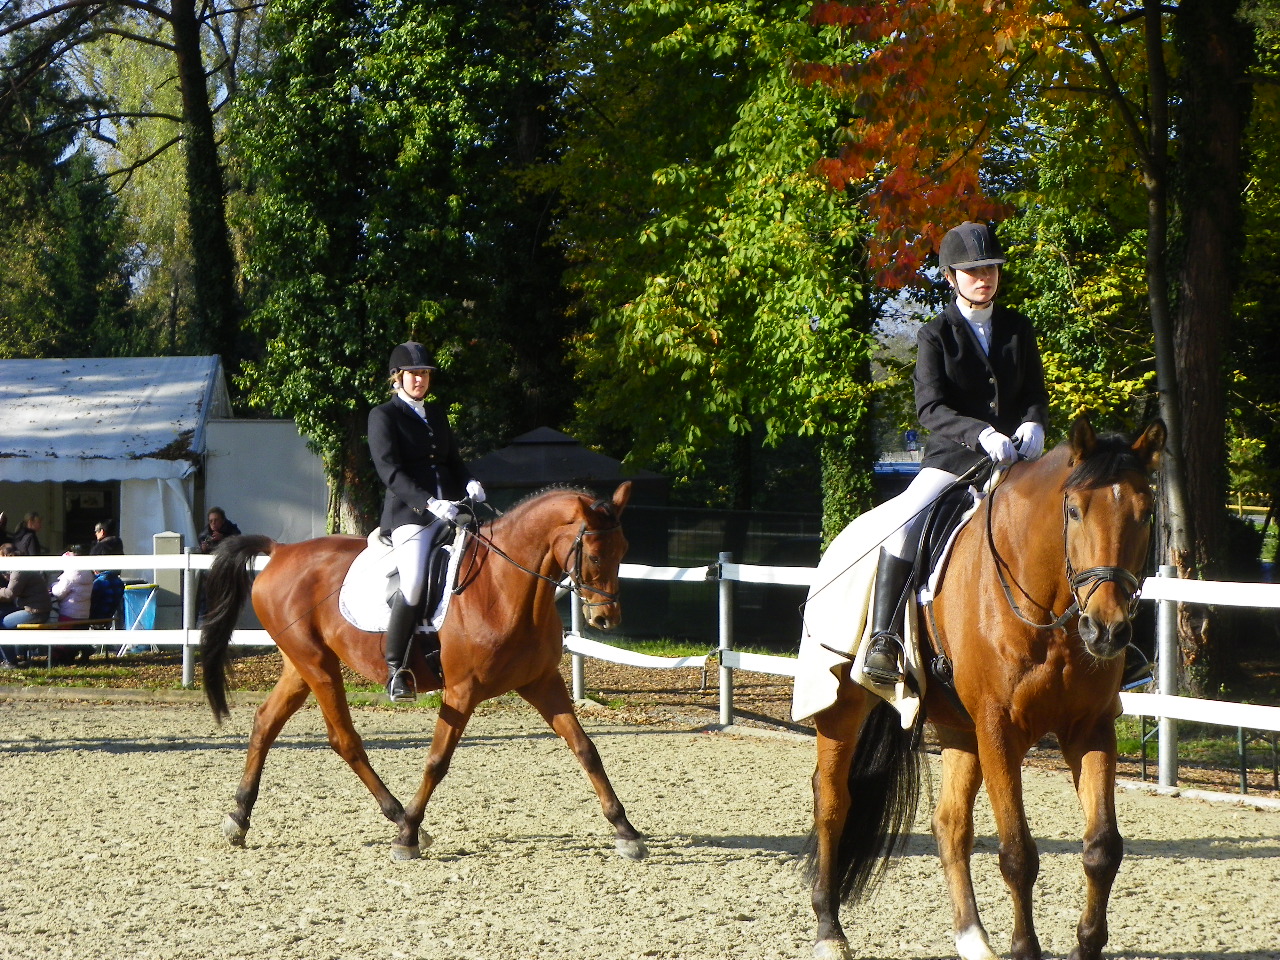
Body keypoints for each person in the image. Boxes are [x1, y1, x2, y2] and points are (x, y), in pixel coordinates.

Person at [861, 221, 1050, 687]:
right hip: (954, 460)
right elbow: (930, 407)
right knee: (905, 523)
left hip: (1017, 460)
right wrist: (979, 433)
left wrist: (1034, 422)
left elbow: (1034, 392)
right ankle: (885, 638)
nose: (983, 277)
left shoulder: (1018, 328)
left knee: (1074, 514)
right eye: (972, 271)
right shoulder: (935, 334)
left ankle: (1109, 642)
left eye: (990, 269)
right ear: (950, 276)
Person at [368, 341, 485, 702]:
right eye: (414, 374)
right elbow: (389, 471)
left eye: (425, 374)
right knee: (415, 582)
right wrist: (429, 503)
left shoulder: (435, 414)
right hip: (412, 515)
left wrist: (469, 481)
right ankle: (396, 669)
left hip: (452, 509)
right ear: (398, 377)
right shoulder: (383, 416)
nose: (420, 380)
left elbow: (452, 461)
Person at [0, 541, 51, 666]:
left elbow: (10, 594)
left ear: (5, 556)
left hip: (35, 611)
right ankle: (13, 658)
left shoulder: (19, 569)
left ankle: (10, 661)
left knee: (2, 624)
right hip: (35, 609)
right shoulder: (21, 566)